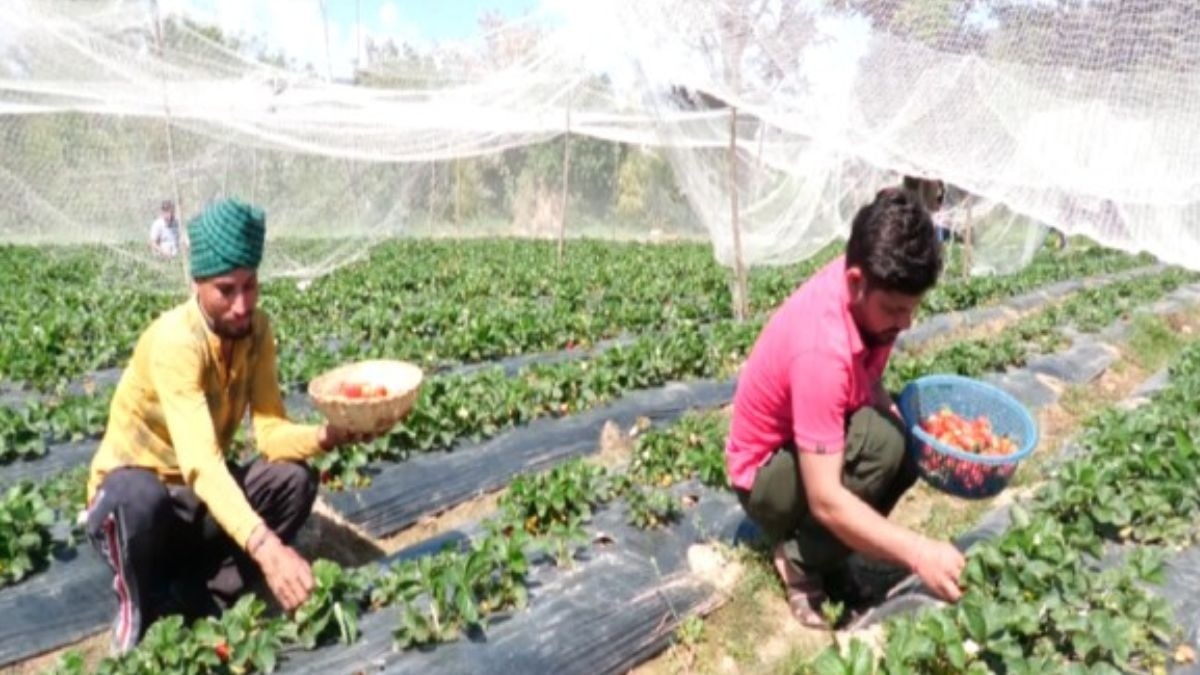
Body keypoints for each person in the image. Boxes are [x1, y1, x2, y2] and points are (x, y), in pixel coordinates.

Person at [86, 198, 373, 653]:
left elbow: (271, 433)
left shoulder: (256, 331)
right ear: (196, 283)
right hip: (142, 504)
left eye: (250, 286)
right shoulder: (175, 341)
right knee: (135, 499)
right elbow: (201, 462)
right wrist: (268, 548)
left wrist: (327, 435)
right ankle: (139, 606)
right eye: (226, 289)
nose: (242, 305)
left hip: (196, 502)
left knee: (293, 479)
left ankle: (207, 597)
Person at [726, 186, 964, 628]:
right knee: (883, 447)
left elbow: (868, 379)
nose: (906, 323)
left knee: (903, 438)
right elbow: (826, 499)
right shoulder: (821, 348)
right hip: (764, 478)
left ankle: (830, 552)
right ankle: (798, 558)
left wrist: (909, 430)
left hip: (800, 448)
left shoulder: (868, 303)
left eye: (913, 309)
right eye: (895, 309)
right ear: (856, 282)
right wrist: (918, 553)